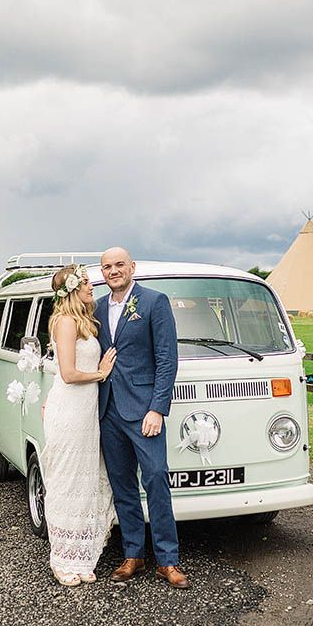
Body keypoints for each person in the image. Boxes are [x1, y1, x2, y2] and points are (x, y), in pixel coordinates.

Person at [95, 247, 189, 589]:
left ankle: (168, 560)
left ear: (132, 267)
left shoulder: (154, 302)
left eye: (120, 264)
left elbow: (167, 359)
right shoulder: (96, 307)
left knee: (155, 480)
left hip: (144, 411)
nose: (114, 270)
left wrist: (157, 408)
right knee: (123, 486)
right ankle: (133, 554)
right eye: (107, 266)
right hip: (108, 411)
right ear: (102, 272)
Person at [41, 264, 117, 586]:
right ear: (72, 289)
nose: (91, 286)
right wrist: (100, 373)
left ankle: (82, 556)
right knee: (67, 484)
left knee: (86, 483)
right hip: (70, 412)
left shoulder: (85, 321)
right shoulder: (66, 322)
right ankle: (61, 559)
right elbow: (69, 374)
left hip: (86, 415)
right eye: (85, 282)